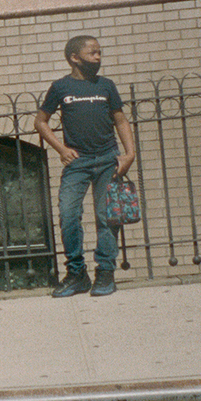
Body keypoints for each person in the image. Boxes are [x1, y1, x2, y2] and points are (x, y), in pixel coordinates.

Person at [34, 35, 137, 298]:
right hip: (77, 163)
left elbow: (121, 120)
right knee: (68, 215)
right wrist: (61, 149)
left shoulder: (106, 86)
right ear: (74, 58)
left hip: (107, 160)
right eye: (93, 53)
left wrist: (129, 154)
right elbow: (41, 122)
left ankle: (105, 272)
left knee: (107, 218)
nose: (98, 57)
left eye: (100, 53)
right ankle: (77, 274)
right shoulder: (60, 87)